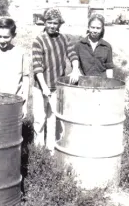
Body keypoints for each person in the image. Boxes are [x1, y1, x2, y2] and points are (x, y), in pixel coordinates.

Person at [32, 8, 80, 152]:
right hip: (40, 86)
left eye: (55, 23)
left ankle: (51, 150)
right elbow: (37, 66)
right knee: (39, 119)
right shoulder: (39, 40)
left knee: (52, 119)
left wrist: (75, 69)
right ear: (44, 23)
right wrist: (44, 86)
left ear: (60, 24)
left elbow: (72, 55)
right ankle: (39, 151)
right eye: (49, 22)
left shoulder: (64, 39)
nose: (52, 26)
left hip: (57, 87)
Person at [75, 14, 114, 78]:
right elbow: (76, 67)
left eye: (98, 28)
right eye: (92, 27)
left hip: (102, 83)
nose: (95, 31)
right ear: (88, 27)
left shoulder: (107, 46)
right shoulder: (79, 45)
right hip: (84, 82)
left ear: (102, 29)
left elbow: (109, 68)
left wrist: (109, 83)